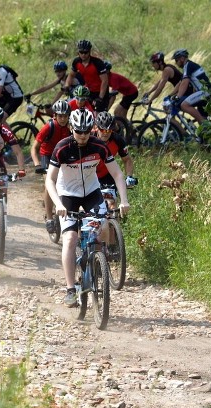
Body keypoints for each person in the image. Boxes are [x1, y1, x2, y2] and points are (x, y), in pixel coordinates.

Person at [45, 108, 130, 307]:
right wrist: (58, 204)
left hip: (92, 192)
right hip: (67, 195)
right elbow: (50, 179)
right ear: (72, 129)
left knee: (100, 230)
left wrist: (124, 200)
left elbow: (117, 174)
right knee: (71, 238)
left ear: (91, 130)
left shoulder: (99, 146)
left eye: (86, 131)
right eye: (78, 131)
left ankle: (97, 260)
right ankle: (70, 289)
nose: (82, 136)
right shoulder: (62, 148)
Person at [31, 100, 72, 233]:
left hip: (62, 155)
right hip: (47, 156)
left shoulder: (71, 127)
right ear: (55, 115)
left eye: (65, 116)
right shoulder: (48, 127)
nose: (63, 119)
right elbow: (34, 148)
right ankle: (49, 218)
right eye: (60, 116)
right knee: (50, 185)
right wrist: (37, 164)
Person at [94, 112, 137, 207]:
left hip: (107, 175)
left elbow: (127, 160)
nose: (105, 133)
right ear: (96, 127)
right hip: (90, 175)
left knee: (112, 203)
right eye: (102, 130)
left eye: (109, 130)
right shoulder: (89, 138)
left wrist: (129, 176)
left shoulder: (117, 140)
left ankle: (113, 220)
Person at [172, 49, 211, 126]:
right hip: (206, 92)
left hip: (205, 92)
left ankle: (205, 124)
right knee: (202, 119)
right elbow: (181, 82)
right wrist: (171, 95)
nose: (176, 63)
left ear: (182, 58)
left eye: (176, 60)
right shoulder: (188, 66)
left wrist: (178, 97)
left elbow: (185, 82)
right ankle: (208, 129)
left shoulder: (188, 65)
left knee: (184, 105)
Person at [65, 40, 109, 112]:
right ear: (78, 52)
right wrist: (66, 86)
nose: (83, 55)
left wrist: (100, 98)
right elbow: (71, 75)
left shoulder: (97, 63)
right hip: (89, 92)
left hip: (101, 92)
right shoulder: (76, 62)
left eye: (85, 52)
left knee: (99, 117)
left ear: (89, 52)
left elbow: (105, 81)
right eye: (81, 52)